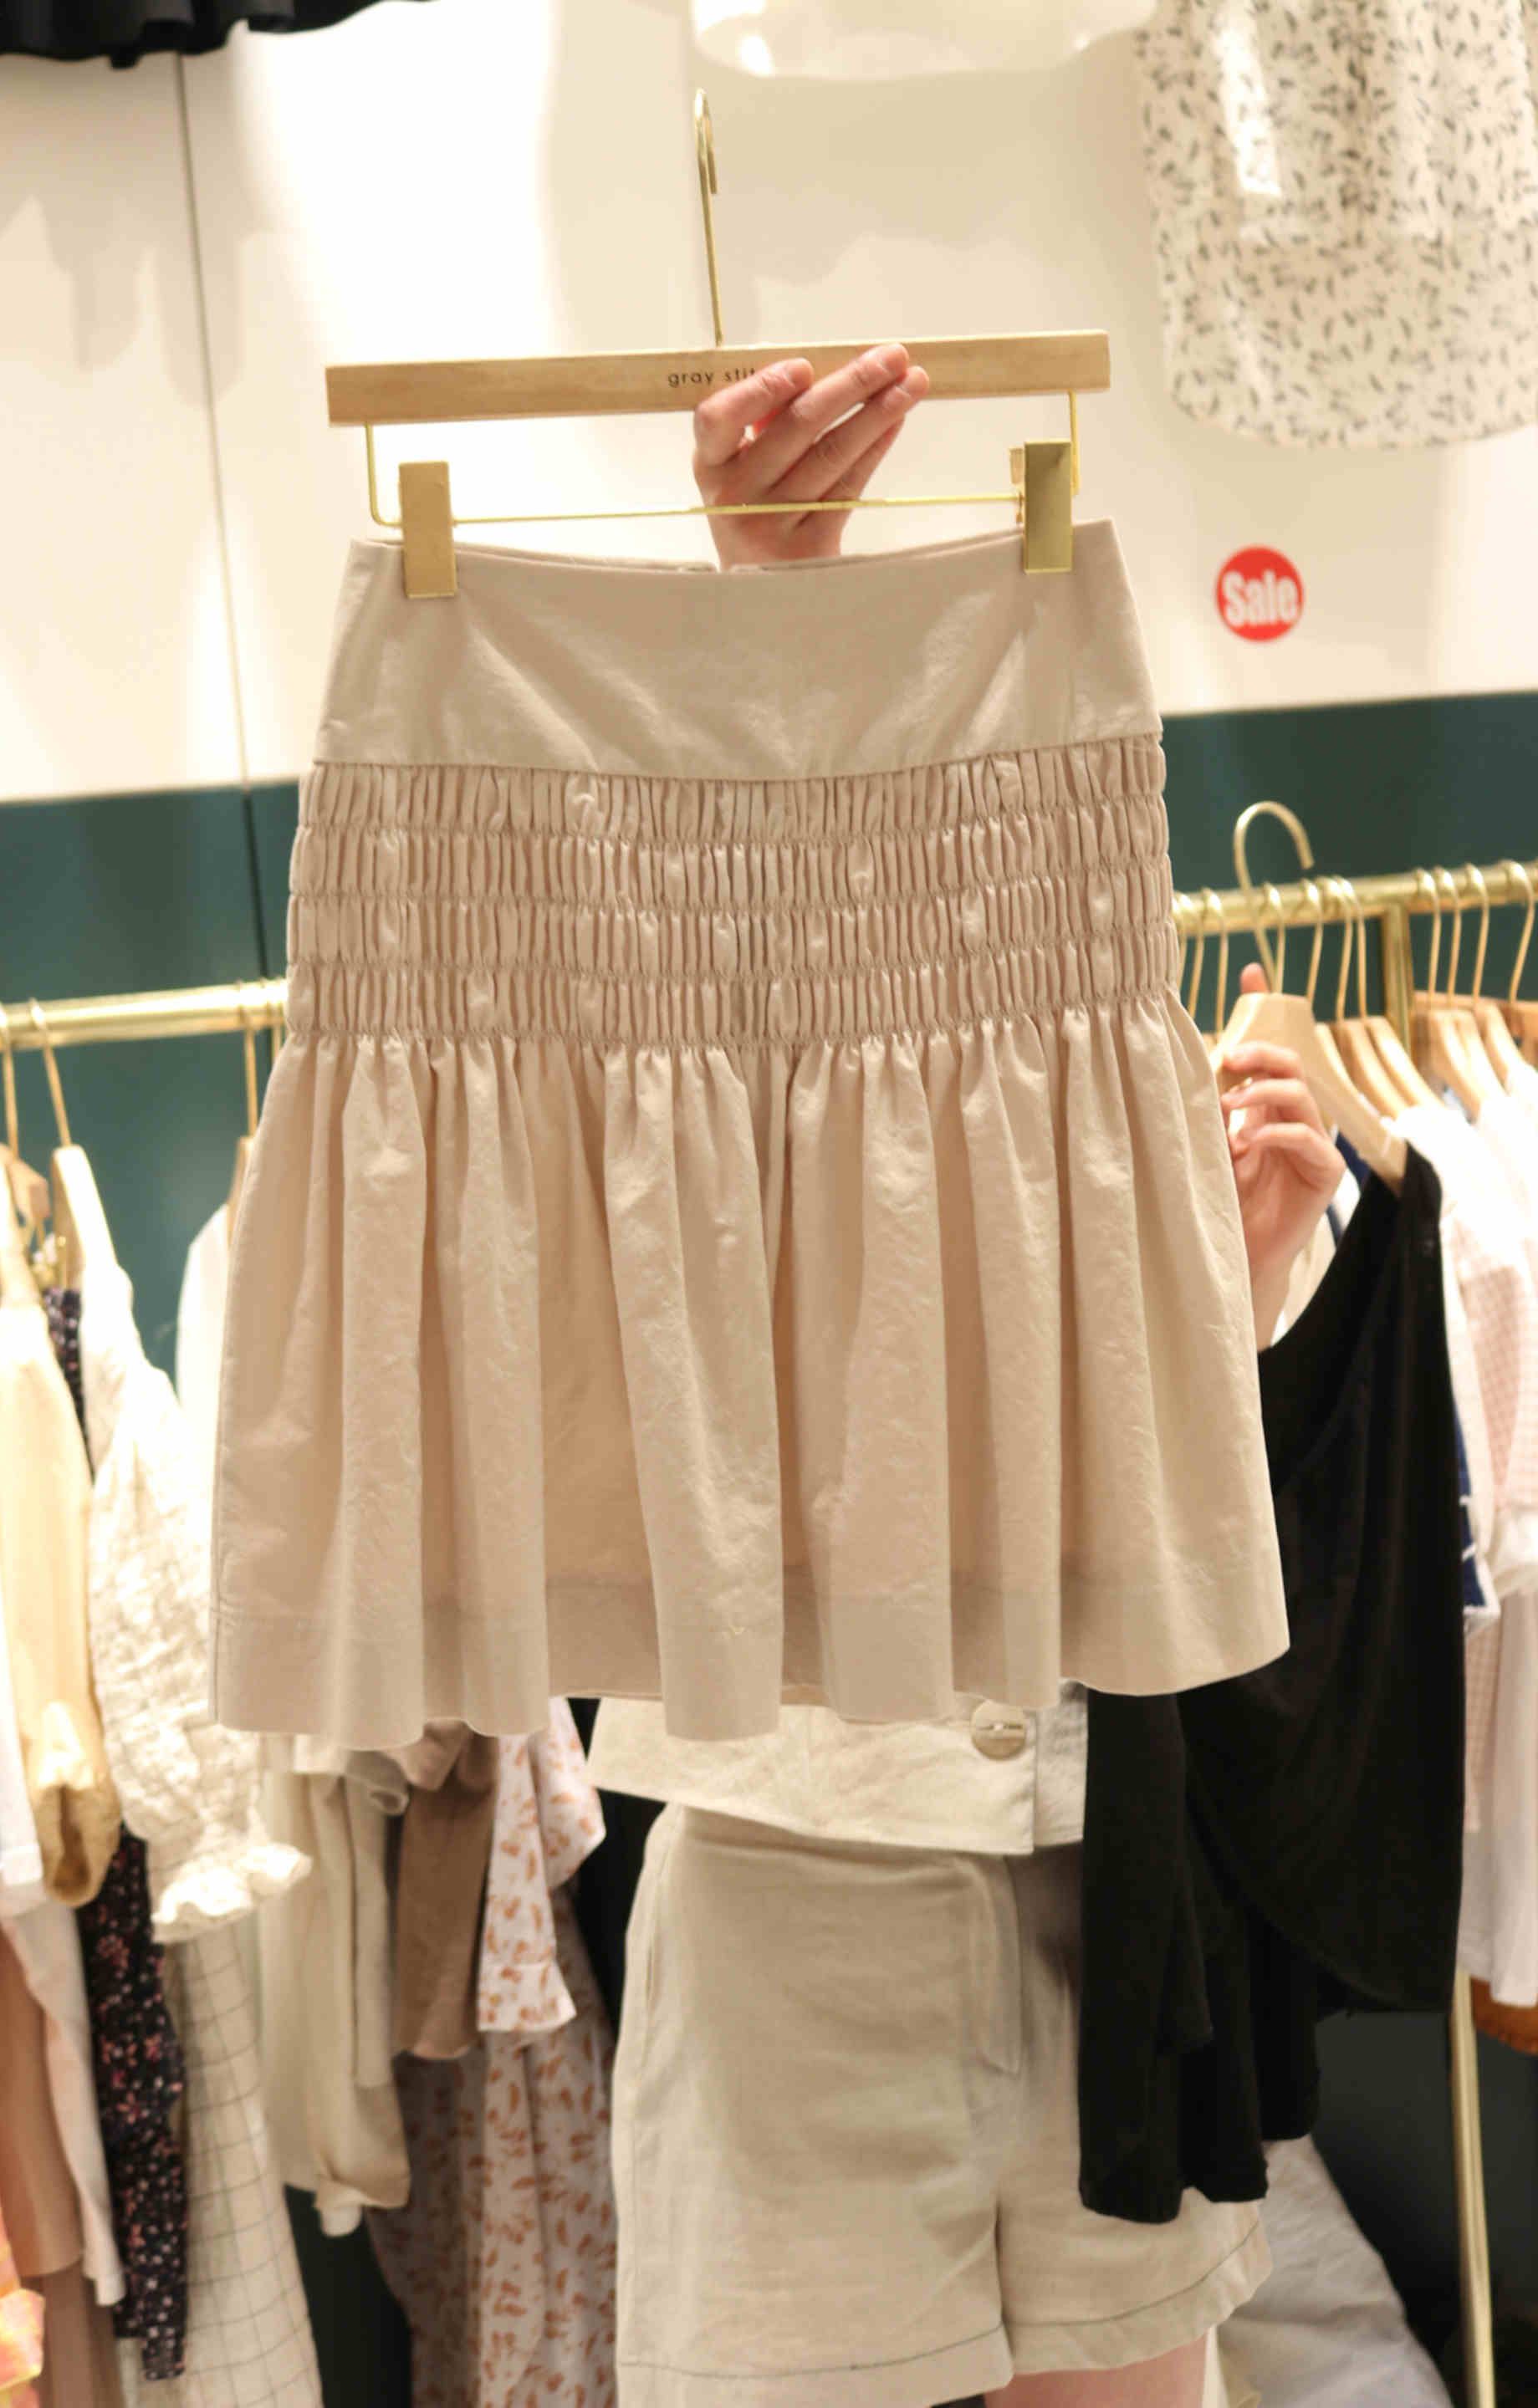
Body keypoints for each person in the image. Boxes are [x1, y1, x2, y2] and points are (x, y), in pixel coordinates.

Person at [590, 354, 1344, 2408]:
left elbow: (1144, 1478)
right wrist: (771, 597)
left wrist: (1232, 1304)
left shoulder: (1113, 994)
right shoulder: (705, 1004)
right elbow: (705, 1043)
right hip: (806, 1867)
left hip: (1122, 1857)